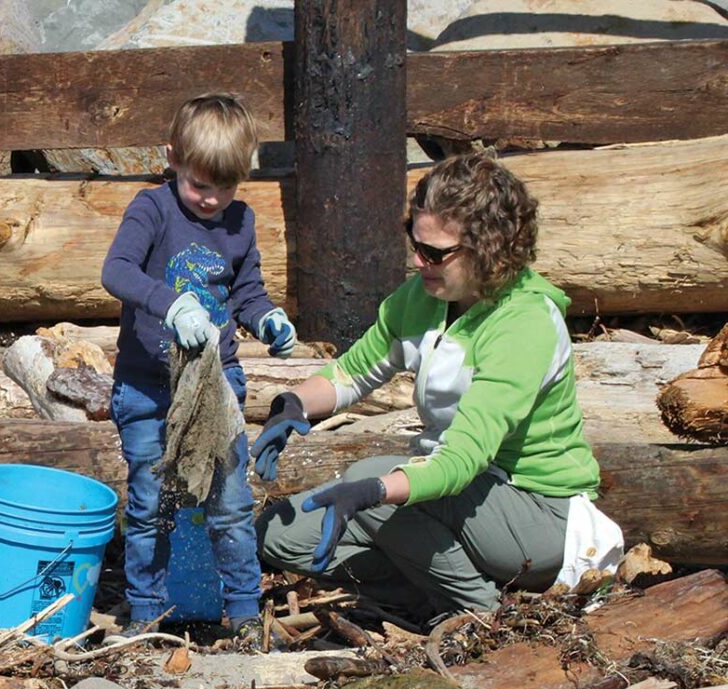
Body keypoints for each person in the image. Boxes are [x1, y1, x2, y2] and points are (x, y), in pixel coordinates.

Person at [251, 152, 622, 631]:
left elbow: (462, 459)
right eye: (416, 243)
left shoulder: (524, 322)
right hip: (449, 492)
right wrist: (293, 404)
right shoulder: (423, 296)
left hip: (535, 510)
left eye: (436, 253)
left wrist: (374, 488)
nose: (419, 261)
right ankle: (427, 595)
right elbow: (352, 372)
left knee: (376, 490)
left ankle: (482, 616)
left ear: (489, 249)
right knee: (282, 535)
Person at [102, 92, 296, 645]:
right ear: (173, 159)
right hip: (147, 387)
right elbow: (116, 271)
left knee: (230, 501)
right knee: (150, 503)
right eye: (199, 185)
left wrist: (268, 321)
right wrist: (171, 305)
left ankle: (242, 610)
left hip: (217, 384)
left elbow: (246, 293)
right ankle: (146, 612)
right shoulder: (152, 208)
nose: (211, 199)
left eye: (225, 187)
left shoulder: (240, 222)